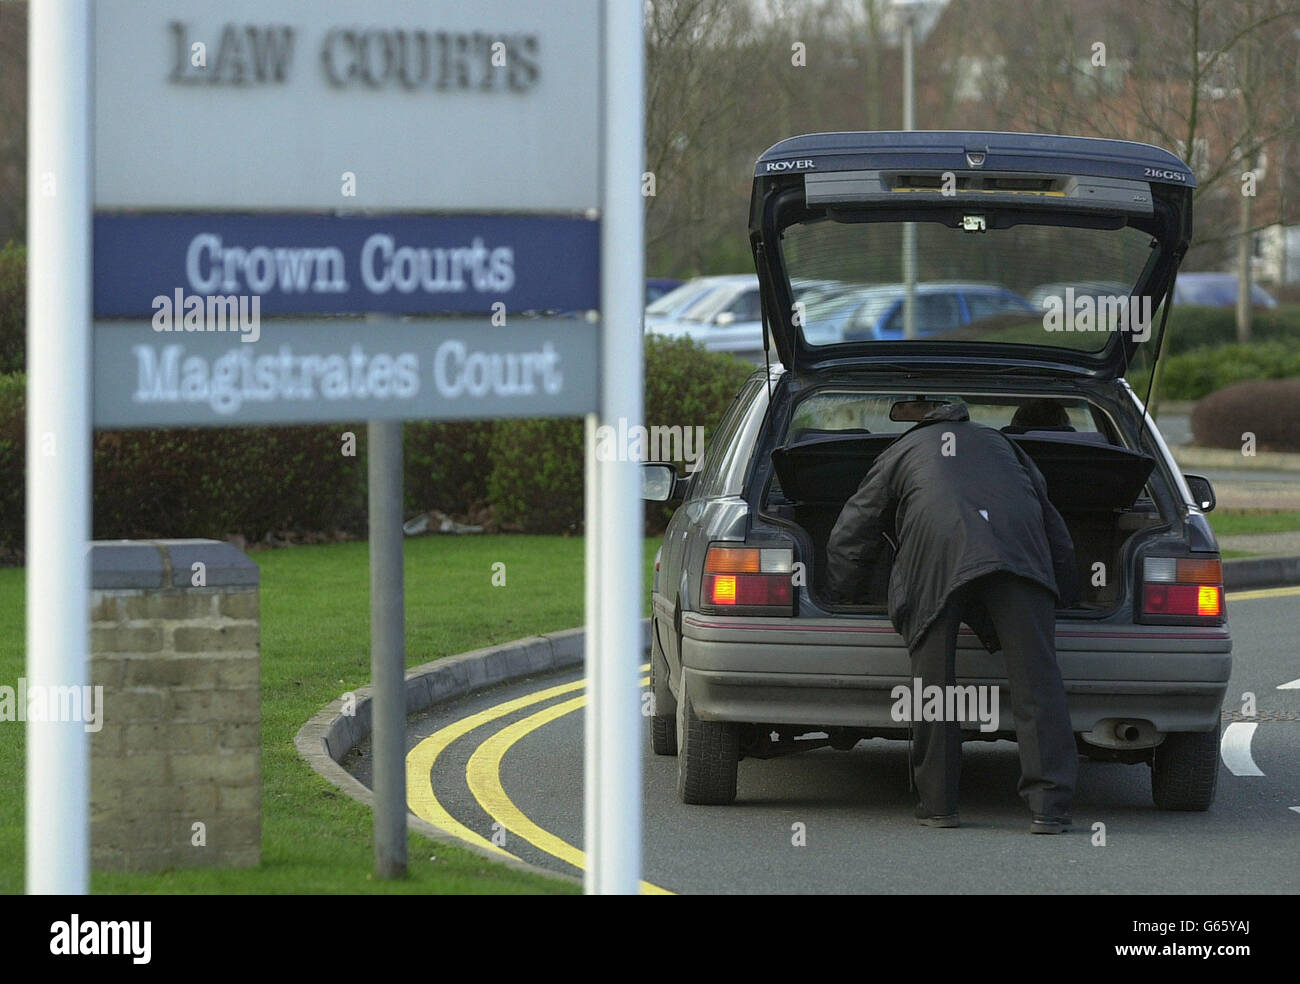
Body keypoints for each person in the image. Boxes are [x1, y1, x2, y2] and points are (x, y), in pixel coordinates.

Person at [825, 401, 1080, 834]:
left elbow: (855, 526)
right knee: (1038, 683)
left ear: (923, 422)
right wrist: (1068, 596)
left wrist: (841, 591)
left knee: (935, 685)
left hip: (938, 559)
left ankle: (939, 805)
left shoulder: (902, 450)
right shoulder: (1001, 444)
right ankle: (1049, 809)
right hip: (1018, 554)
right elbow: (1052, 523)